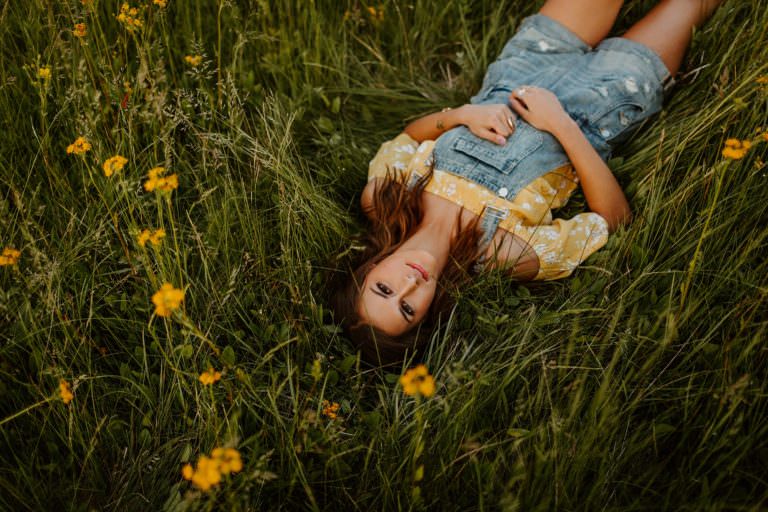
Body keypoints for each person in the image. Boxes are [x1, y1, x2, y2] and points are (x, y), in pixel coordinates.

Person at [331, 0, 723, 366]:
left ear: (370, 268)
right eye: (408, 308)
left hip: (529, 62)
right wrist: (561, 125)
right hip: (605, 99)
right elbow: (614, 220)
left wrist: (463, 114)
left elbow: (408, 138)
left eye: (385, 288)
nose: (409, 285)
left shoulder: (383, 199)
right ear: (429, 312)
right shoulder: (500, 254)